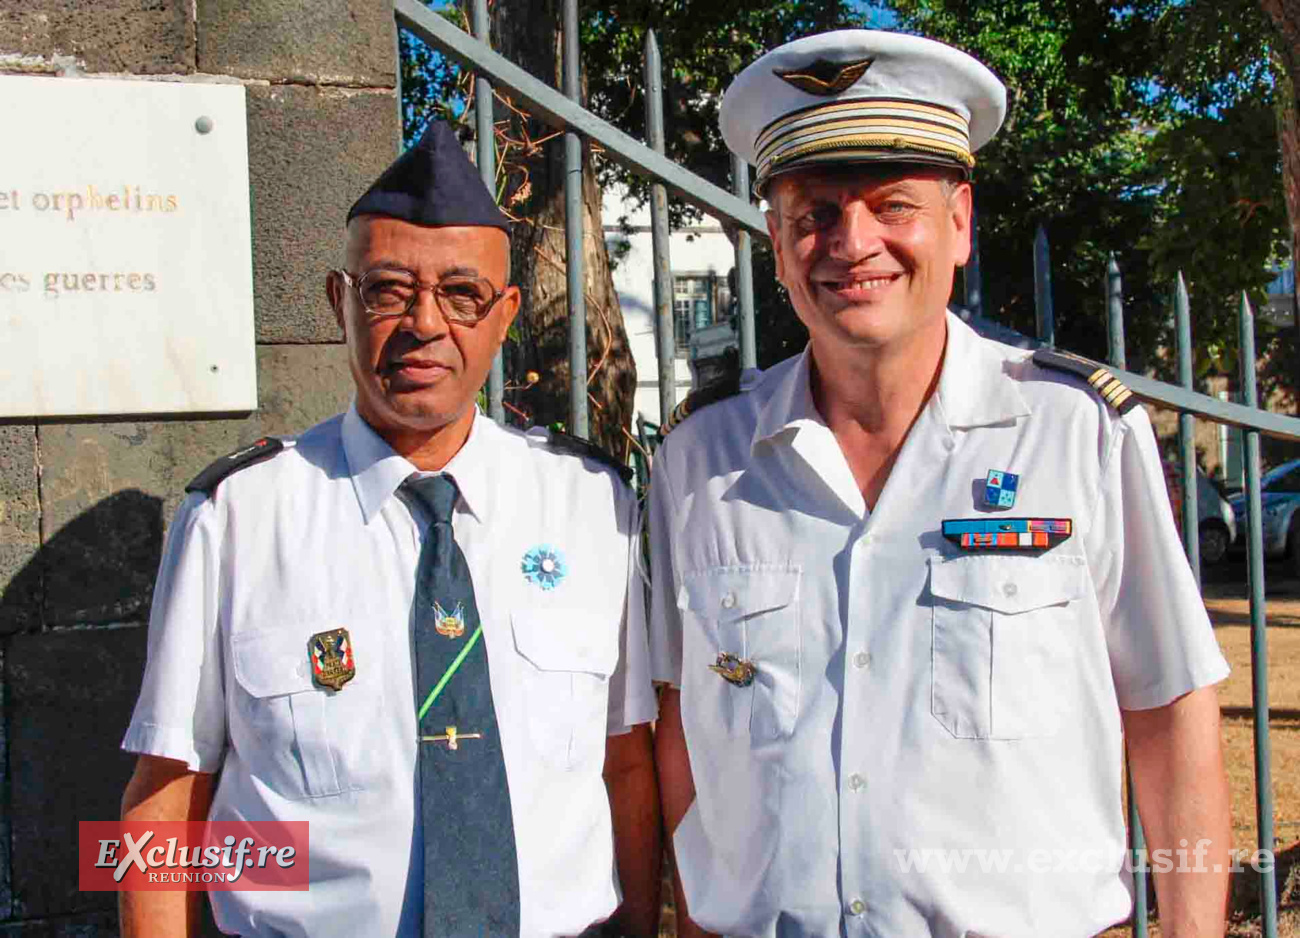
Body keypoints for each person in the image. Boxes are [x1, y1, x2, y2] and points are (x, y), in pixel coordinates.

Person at [648, 30, 1232, 938]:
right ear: (776, 239)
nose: (853, 242)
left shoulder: (1075, 434)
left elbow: (1169, 708)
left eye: (893, 206)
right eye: (815, 213)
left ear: (959, 223)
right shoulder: (701, 461)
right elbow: (683, 723)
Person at [119, 120, 660, 938]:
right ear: (341, 301)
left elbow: (627, 764)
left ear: (506, 312)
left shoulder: (590, 505)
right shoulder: (238, 518)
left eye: (462, 294)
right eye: (387, 290)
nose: (424, 324)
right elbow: (166, 797)